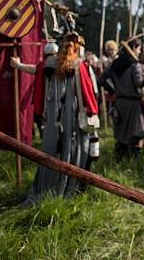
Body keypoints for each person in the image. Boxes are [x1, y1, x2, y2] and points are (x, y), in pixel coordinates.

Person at [12, 33, 99, 206]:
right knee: (73, 149)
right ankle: (69, 189)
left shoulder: (48, 64)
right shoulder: (79, 65)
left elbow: (35, 71)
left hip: (52, 118)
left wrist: (18, 65)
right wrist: (93, 110)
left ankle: (48, 187)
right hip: (71, 118)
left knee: (51, 149)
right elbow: (89, 93)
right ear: (77, 47)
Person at [99, 38, 144, 161]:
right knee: (136, 133)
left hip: (119, 102)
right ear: (135, 47)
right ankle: (132, 161)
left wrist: (113, 91)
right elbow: (138, 82)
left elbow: (101, 79)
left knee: (121, 135)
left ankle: (119, 161)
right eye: (139, 48)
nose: (140, 51)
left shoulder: (114, 64)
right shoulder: (134, 64)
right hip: (132, 104)